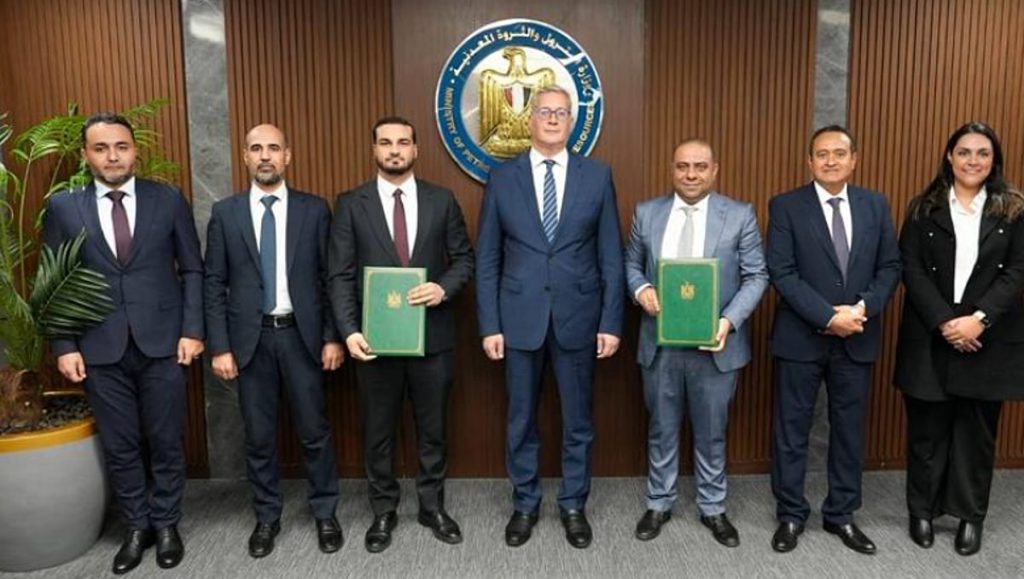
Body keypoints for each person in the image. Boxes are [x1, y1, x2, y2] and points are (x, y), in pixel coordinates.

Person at [42, 113, 204, 574]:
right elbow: (55, 281)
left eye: (121, 147)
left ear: (135, 151)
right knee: (120, 443)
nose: (112, 156)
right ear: (85, 155)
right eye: (101, 148)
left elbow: (193, 268)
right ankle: (137, 526)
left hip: (164, 343)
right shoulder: (63, 208)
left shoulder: (167, 199)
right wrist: (64, 345)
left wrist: (193, 330)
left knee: (166, 439)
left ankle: (167, 523)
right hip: (97, 347)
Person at [476, 85, 625, 549]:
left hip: (579, 317)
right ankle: (525, 503)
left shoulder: (597, 176)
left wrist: (611, 322)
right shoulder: (502, 177)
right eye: (545, 111)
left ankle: (574, 504)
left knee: (578, 420)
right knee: (521, 418)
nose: (554, 119)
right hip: (518, 319)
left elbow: (611, 256)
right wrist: (489, 324)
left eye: (562, 112)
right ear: (531, 119)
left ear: (572, 121)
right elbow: (488, 258)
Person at [329, 116, 474, 553]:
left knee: (433, 429)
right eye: (386, 143)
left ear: (416, 150)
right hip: (375, 342)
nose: (395, 149)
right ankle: (383, 510)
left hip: (432, 338)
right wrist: (349, 331)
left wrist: (443, 288)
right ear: (374, 149)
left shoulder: (441, 200)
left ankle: (432, 507)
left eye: (403, 142)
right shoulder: (351, 203)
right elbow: (339, 274)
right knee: (378, 432)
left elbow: (464, 259)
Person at [204, 124, 344, 558]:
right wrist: (220, 346)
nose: (265, 156)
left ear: (288, 156)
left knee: (315, 432)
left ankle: (325, 512)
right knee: (259, 437)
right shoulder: (225, 213)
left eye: (273, 148)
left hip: (302, 338)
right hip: (251, 342)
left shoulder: (314, 210)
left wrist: (332, 337)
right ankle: (267, 516)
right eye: (256, 148)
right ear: (245, 157)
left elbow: (329, 278)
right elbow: (214, 284)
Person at [624, 139, 768, 547]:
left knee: (712, 431)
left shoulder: (739, 215)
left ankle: (713, 507)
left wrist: (728, 321)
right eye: (683, 166)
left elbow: (757, 276)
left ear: (714, 170)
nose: (691, 174)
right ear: (672, 169)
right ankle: (659, 502)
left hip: (716, 345)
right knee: (661, 427)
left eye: (700, 167)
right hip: (661, 344)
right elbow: (631, 264)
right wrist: (641, 290)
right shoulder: (646, 213)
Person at [766, 125, 901, 555]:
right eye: (821, 154)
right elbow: (782, 272)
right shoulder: (785, 206)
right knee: (792, 430)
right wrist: (827, 316)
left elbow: (890, 266)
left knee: (848, 431)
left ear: (854, 159)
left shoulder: (875, 204)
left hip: (857, 334)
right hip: (800, 337)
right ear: (809, 161)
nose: (830, 161)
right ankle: (790, 513)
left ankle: (841, 514)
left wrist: (859, 310)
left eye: (839, 153)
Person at [894, 121, 1024, 556]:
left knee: (976, 434)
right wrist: (946, 323)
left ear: (994, 160)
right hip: (931, 334)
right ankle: (922, 511)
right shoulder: (922, 208)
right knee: (926, 432)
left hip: (988, 338)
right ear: (949, 157)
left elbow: (1017, 271)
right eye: (964, 152)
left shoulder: (1014, 209)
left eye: (982, 153)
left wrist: (978, 320)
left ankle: (971, 516)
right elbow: (911, 268)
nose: (973, 161)